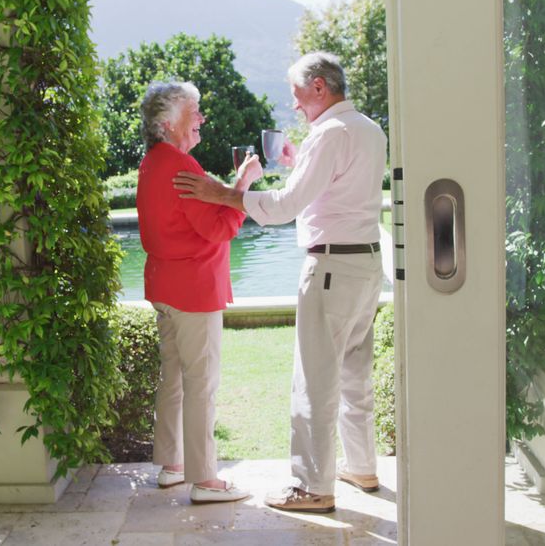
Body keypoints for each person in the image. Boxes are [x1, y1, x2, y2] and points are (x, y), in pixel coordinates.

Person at [173, 53, 387, 513]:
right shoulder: (369, 130)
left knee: (313, 380)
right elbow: (330, 194)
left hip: (331, 269)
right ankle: (362, 467)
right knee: (355, 374)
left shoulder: (329, 135)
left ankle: (313, 487)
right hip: (367, 266)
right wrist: (298, 161)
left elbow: (288, 206)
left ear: (318, 87)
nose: (294, 106)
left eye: (296, 95)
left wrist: (226, 194)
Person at [136, 81, 260, 504]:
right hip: (193, 290)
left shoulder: (153, 162)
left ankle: (172, 466)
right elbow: (218, 227)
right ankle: (206, 480)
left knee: (173, 378)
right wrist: (243, 184)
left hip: (166, 288)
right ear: (169, 124)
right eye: (195, 112)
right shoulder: (181, 166)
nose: (202, 119)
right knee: (201, 383)